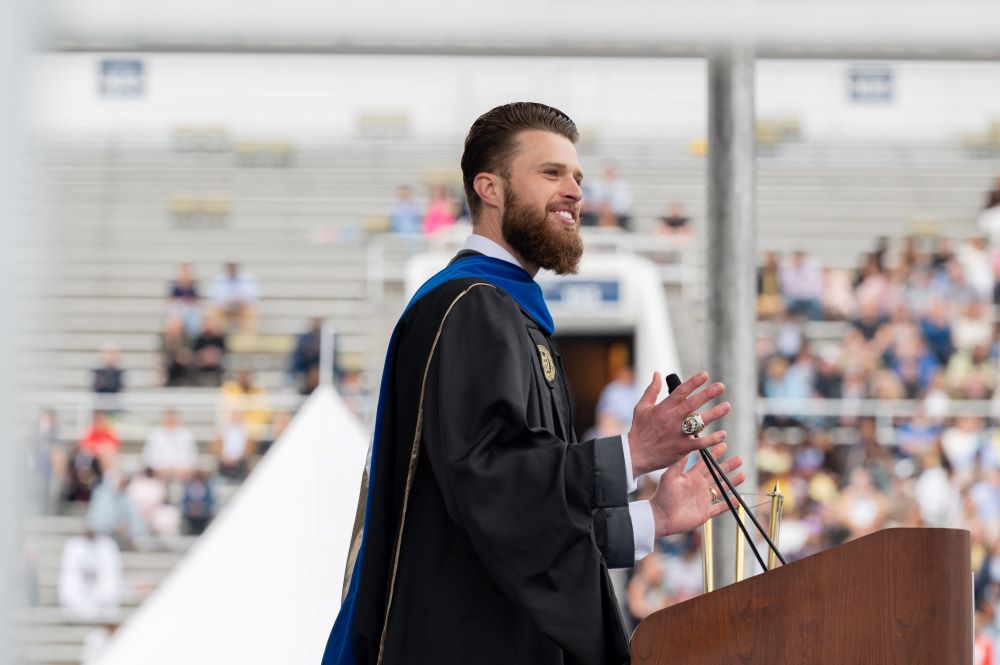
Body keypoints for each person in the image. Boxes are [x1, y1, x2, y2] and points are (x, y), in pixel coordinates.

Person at [322, 102, 743, 665]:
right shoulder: (473, 308)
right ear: (489, 188)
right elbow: (493, 486)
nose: (574, 191)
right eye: (551, 173)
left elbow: (517, 527)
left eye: (577, 177)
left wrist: (654, 518)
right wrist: (628, 454)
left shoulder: (498, 310)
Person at [142, 409, 199, 482]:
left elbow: (192, 456)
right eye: (168, 419)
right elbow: (148, 456)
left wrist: (183, 469)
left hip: (182, 475)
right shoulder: (155, 434)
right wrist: (157, 469)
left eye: (172, 419)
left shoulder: (186, 434)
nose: (170, 421)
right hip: (158, 474)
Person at [208, 262, 260, 333]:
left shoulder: (248, 278)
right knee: (215, 311)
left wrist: (241, 301)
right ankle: (216, 337)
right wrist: (227, 303)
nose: (232, 270)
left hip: (242, 307)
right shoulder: (219, 279)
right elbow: (214, 297)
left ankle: (248, 338)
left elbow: (254, 297)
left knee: (250, 311)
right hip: (224, 307)